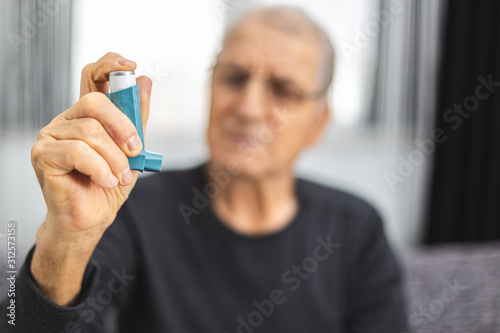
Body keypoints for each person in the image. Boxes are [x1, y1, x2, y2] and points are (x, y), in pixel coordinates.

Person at [1, 5, 408, 332]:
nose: (247, 108)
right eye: (234, 78)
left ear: (318, 123)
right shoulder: (133, 210)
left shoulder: (357, 228)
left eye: (283, 90)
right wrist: (67, 237)